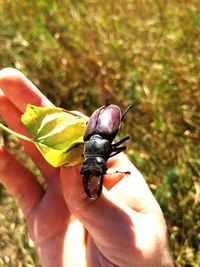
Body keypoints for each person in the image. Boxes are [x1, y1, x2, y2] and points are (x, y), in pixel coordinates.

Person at [0, 68, 174, 267]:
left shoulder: (92, 141)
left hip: (101, 129)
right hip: (100, 130)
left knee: (119, 145)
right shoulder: (91, 143)